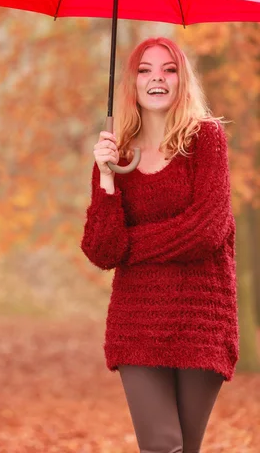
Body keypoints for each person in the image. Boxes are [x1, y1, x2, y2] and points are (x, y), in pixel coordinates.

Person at [80, 36, 239, 453]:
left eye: (168, 70)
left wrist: (130, 247)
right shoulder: (115, 155)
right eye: (145, 70)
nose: (157, 79)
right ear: (132, 83)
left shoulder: (206, 139)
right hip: (138, 320)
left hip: (200, 318)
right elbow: (101, 250)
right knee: (163, 445)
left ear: (182, 81)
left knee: (186, 447)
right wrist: (106, 177)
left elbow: (207, 229)